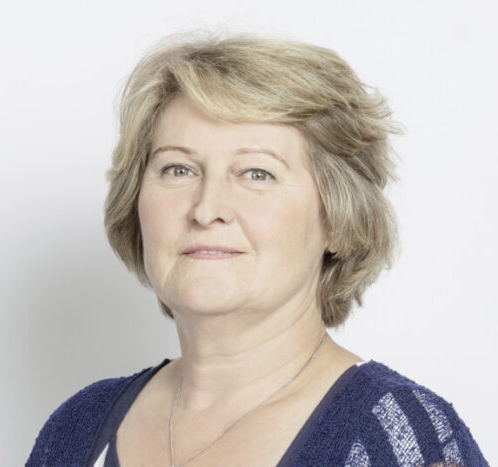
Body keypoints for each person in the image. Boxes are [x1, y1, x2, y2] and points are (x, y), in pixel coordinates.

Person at [26, 31, 488, 467]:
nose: (206, 209)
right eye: (178, 169)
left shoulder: (399, 439)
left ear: (337, 220)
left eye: (256, 174)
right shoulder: (78, 429)